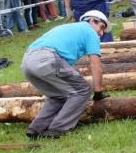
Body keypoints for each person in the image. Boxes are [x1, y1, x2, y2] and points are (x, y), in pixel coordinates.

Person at [21, 10, 110, 139]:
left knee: (59, 95)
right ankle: (58, 129)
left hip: (27, 62)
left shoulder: (70, 28)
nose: (101, 33)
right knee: (83, 89)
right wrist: (98, 92)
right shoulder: (89, 31)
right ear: (91, 21)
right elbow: (95, 64)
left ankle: (36, 128)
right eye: (101, 27)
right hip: (47, 58)